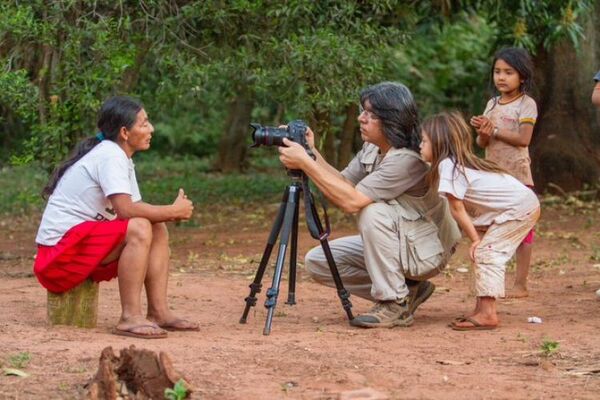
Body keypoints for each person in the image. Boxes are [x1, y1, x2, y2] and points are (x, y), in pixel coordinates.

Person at [278, 82, 460, 328]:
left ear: (392, 120)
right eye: (363, 111)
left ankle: (394, 304)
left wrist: (305, 164)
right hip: (404, 240)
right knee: (319, 261)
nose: (361, 118)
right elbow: (342, 182)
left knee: (371, 211)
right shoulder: (373, 147)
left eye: (370, 115)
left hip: (428, 250)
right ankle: (408, 290)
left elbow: (351, 201)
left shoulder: (407, 159)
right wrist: (311, 152)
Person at [33, 96, 199, 339]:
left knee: (157, 226)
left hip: (78, 247)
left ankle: (159, 312)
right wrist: (173, 211)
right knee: (141, 227)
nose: (151, 128)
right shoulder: (110, 155)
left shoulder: (121, 157)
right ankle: (129, 317)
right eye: (143, 124)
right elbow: (127, 211)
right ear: (124, 131)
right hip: (57, 259)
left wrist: (167, 214)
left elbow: (137, 206)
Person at [420, 111, 540, 330]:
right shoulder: (450, 165)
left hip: (520, 207)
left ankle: (488, 314)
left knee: (486, 251)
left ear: (437, 144)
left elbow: (457, 208)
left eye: (424, 141)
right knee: (482, 252)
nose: (420, 145)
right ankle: (481, 309)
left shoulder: (448, 165)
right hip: (514, 206)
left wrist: (475, 239)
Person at [470, 47, 538, 299]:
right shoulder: (492, 103)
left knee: (523, 232)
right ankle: (489, 281)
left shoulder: (526, 104)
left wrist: (494, 129)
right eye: (498, 72)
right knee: (487, 226)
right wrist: (484, 132)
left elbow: (523, 138)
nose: (501, 77)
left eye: (508, 72)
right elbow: (482, 144)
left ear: (522, 77)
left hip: (518, 177)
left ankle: (521, 284)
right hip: (493, 176)